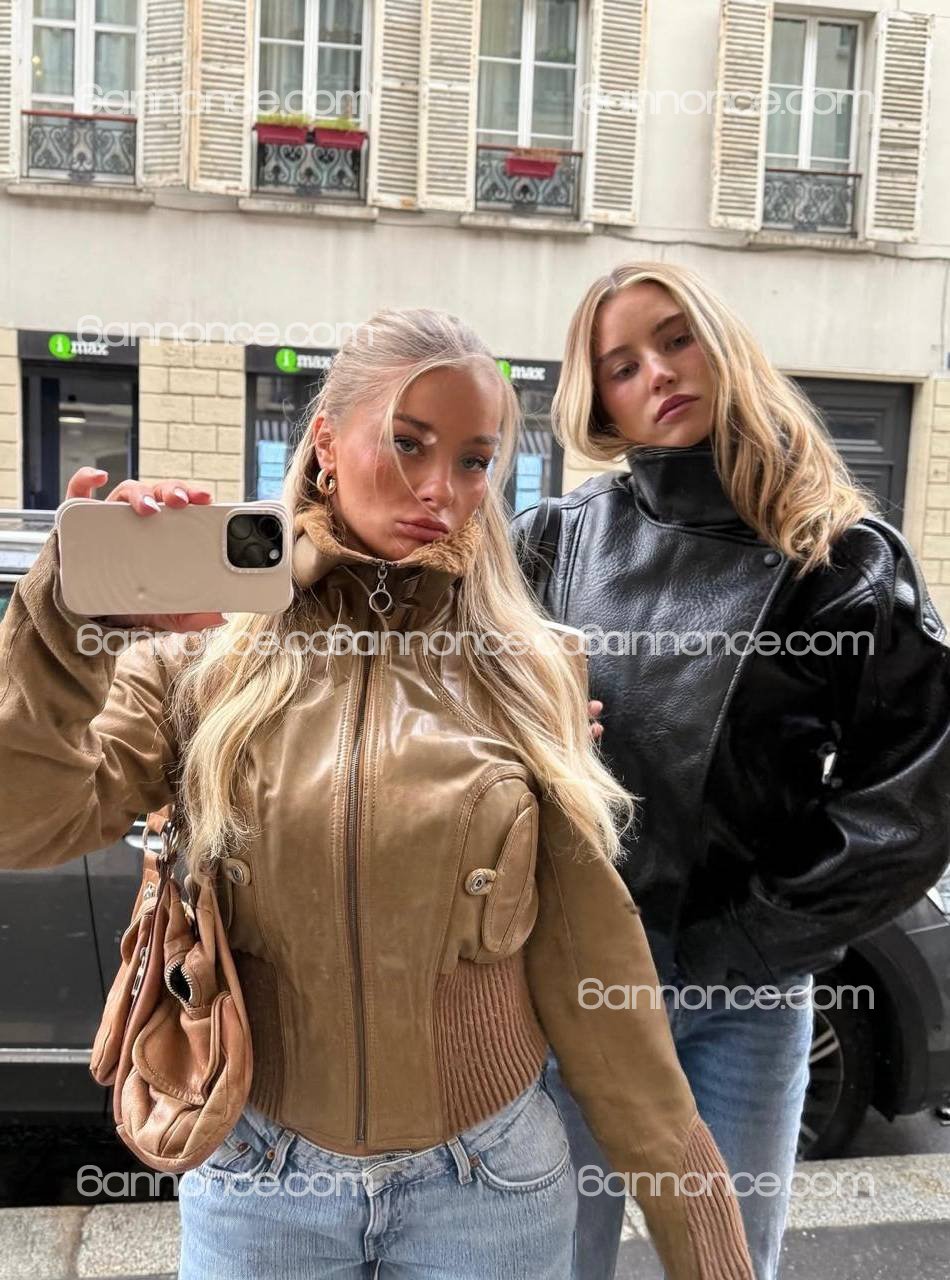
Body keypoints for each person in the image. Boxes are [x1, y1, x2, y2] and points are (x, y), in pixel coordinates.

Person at [0, 308, 755, 1279]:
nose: (441, 489)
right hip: (260, 1178)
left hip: (487, 1185)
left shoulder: (529, 673)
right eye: (406, 443)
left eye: (475, 460)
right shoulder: (200, 662)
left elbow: (592, 971)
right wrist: (68, 625)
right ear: (325, 441)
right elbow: (24, 821)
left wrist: (710, 1250)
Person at [511, 262, 950, 1280]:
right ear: (598, 400)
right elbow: (421, 656)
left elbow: (917, 788)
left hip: (741, 993)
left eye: (675, 339)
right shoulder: (556, 539)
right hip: (576, 974)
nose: (658, 372)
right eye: (622, 364)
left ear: (720, 344)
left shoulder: (841, 555)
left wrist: (757, 939)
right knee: (554, 1262)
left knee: (724, 1264)